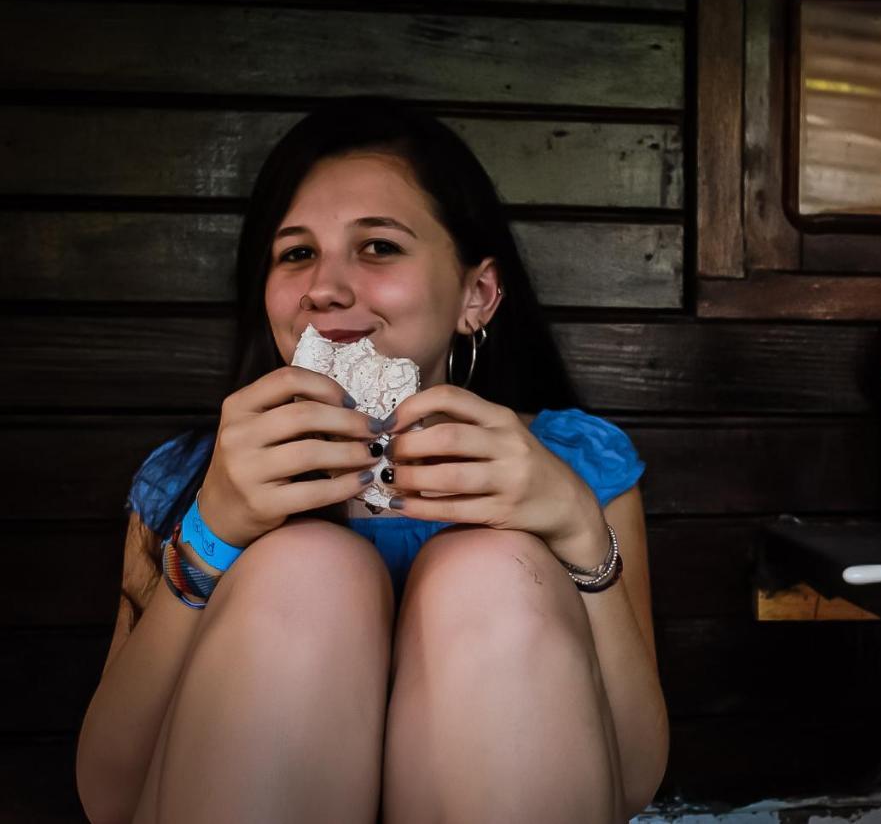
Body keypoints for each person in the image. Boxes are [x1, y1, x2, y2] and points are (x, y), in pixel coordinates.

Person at [75, 96, 669, 824]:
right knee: (309, 570)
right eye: (295, 253)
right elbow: (109, 794)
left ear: (477, 294)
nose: (324, 286)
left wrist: (579, 528)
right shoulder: (194, 477)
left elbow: (634, 775)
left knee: (489, 573)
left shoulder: (578, 465)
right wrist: (210, 531)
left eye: (378, 246)